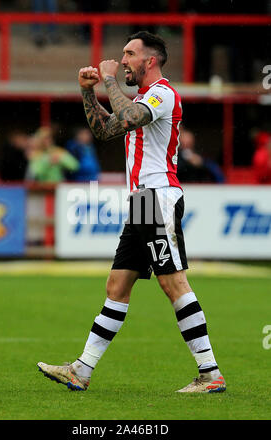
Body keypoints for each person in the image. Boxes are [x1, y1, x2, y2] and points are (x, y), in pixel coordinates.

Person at [38, 31, 226, 393]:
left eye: (129, 54)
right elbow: (107, 129)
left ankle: (209, 373)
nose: (122, 60)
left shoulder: (162, 94)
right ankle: (81, 369)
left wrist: (108, 78)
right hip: (142, 203)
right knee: (117, 286)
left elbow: (127, 117)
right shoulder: (140, 99)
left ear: (149, 60)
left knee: (174, 284)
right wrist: (87, 91)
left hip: (157, 199)